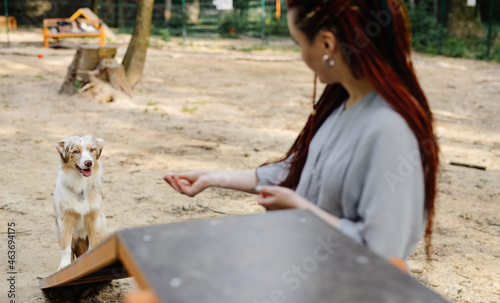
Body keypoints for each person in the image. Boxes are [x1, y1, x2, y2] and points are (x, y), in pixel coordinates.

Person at [163, 0, 439, 261]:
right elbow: (306, 172)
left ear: (327, 44)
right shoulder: (344, 103)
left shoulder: (390, 129)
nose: (301, 56)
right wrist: (214, 178)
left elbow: (383, 252)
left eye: (298, 43)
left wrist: (301, 210)